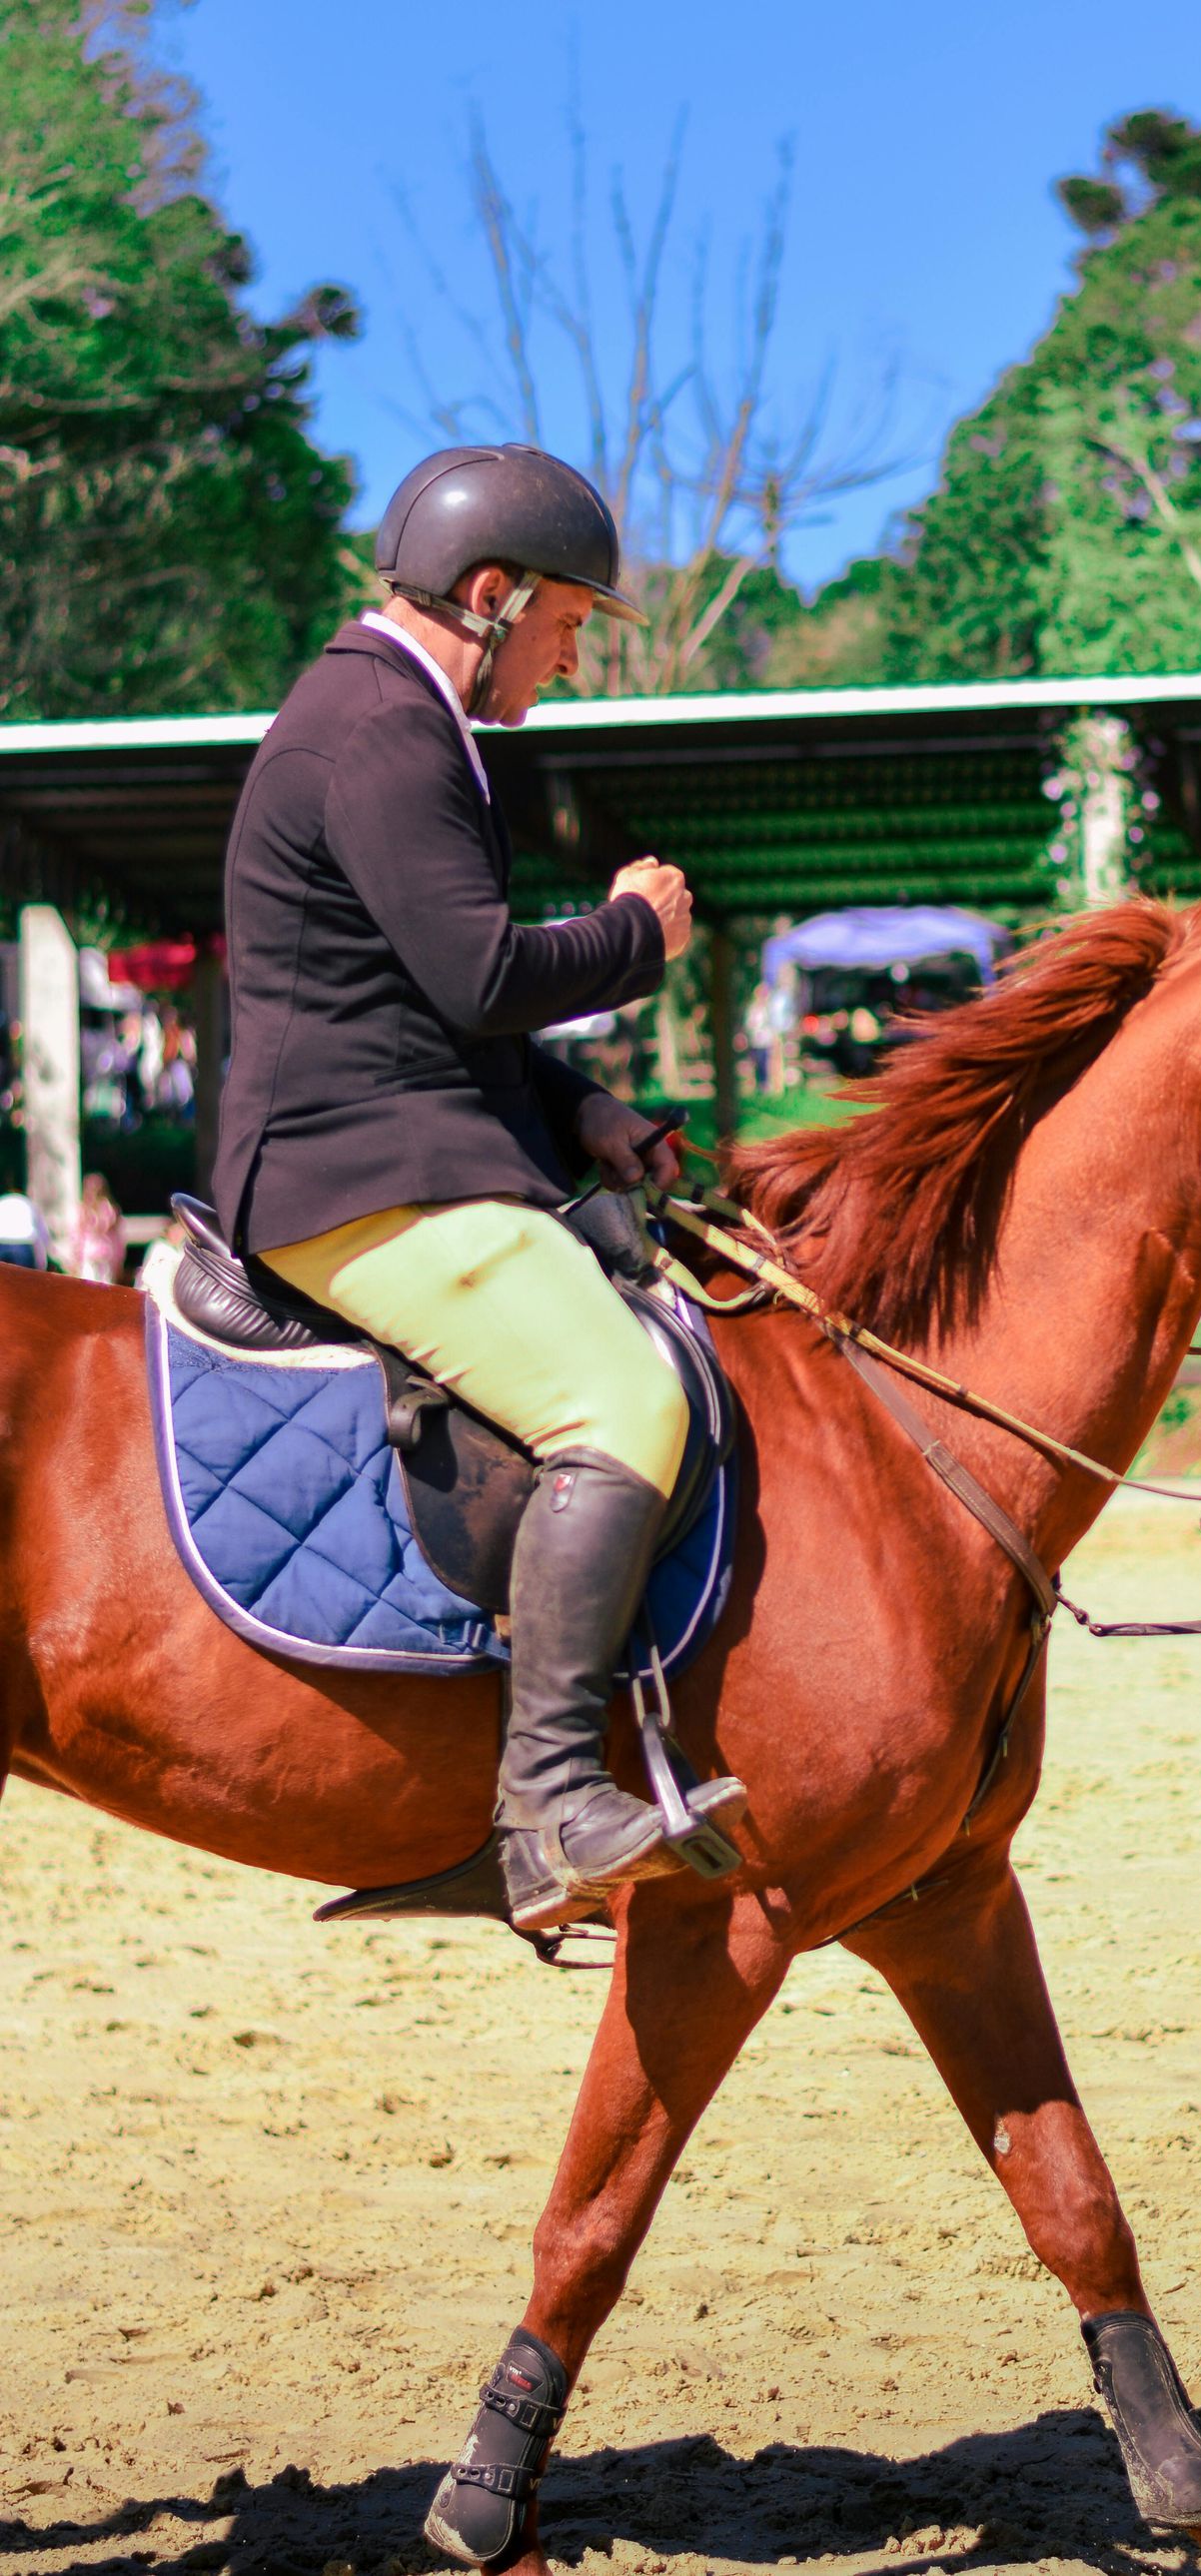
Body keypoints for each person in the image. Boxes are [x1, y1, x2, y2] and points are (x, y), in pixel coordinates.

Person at [212, 440, 744, 1936]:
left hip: (401, 1138)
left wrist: (586, 1116)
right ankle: (554, 1802)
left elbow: (425, 1003)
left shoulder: (399, 716)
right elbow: (484, 971)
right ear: (493, 595)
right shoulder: (380, 724)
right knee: (623, 1403)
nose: (571, 657)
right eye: (570, 623)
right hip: (356, 1175)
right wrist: (635, 932)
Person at [69, 1172, 126, 1285]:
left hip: (98, 1253)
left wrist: (118, 1258)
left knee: (98, 1286)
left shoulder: (105, 1208)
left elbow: (115, 1235)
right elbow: (77, 1235)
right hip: (96, 1253)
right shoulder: (87, 1209)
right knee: (96, 1286)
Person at [0, 1187, 50, 1270]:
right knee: (25, 1279)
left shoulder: (2, 1200)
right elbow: (41, 1232)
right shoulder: (29, 1203)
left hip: (2, 1243)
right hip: (23, 1245)